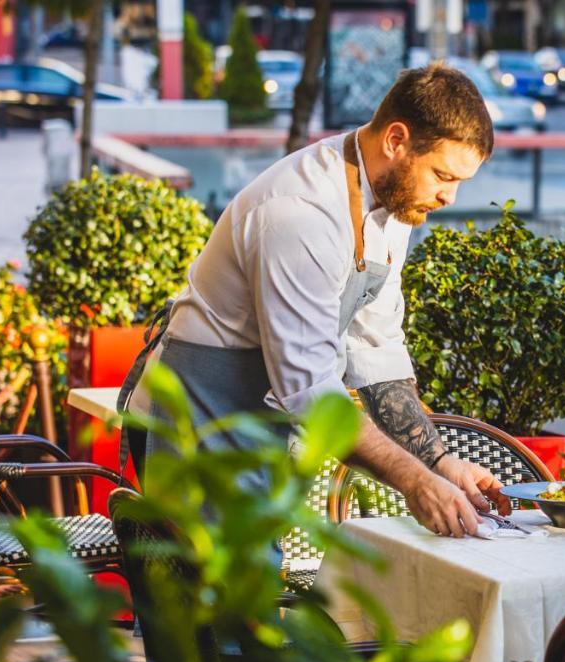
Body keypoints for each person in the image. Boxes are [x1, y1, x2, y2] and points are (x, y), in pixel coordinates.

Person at [121, 64, 509, 539]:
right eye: (443, 175)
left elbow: (375, 349)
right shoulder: (300, 212)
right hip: (195, 415)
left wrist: (440, 463)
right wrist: (414, 482)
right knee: (205, 599)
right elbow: (308, 388)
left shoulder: (397, 203)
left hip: (258, 418)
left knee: (252, 585)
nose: (449, 196)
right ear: (396, 140)